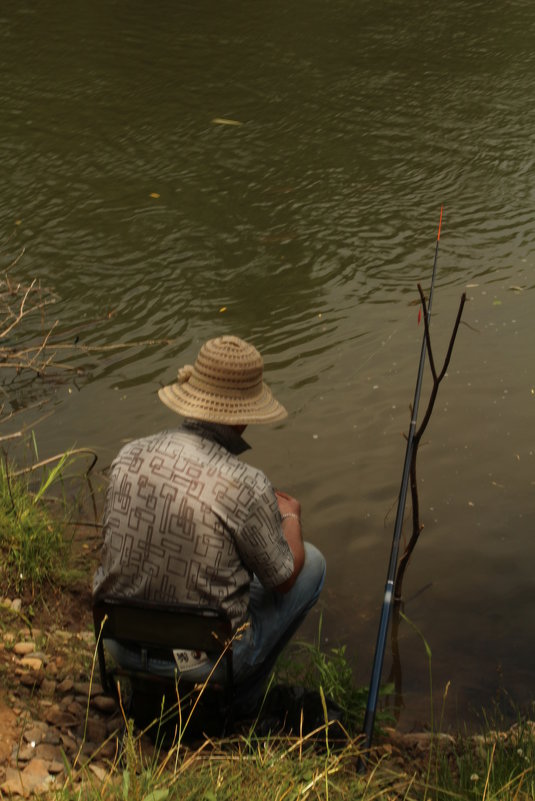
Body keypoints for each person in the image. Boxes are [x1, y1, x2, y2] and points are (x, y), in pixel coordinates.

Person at [92, 335, 326, 709]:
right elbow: (283, 580)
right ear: (245, 414)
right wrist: (289, 516)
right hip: (202, 664)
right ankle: (242, 700)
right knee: (311, 563)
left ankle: (150, 688)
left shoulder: (127, 456)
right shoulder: (247, 482)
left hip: (121, 644)